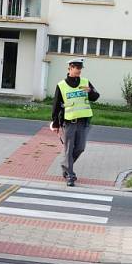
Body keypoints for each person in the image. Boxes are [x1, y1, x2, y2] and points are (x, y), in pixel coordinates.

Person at [49, 57, 100, 187]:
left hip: (83, 122)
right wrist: (55, 123)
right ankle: (70, 176)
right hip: (69, 122)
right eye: (76, 68)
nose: (79, 70)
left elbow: (96, 97)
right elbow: (56, 105)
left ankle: (65, 166)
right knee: (68, 149)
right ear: (70, 68)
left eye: (80, 68)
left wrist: (91, 91)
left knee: (80, 148)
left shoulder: (85, 82)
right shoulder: (61, 85)